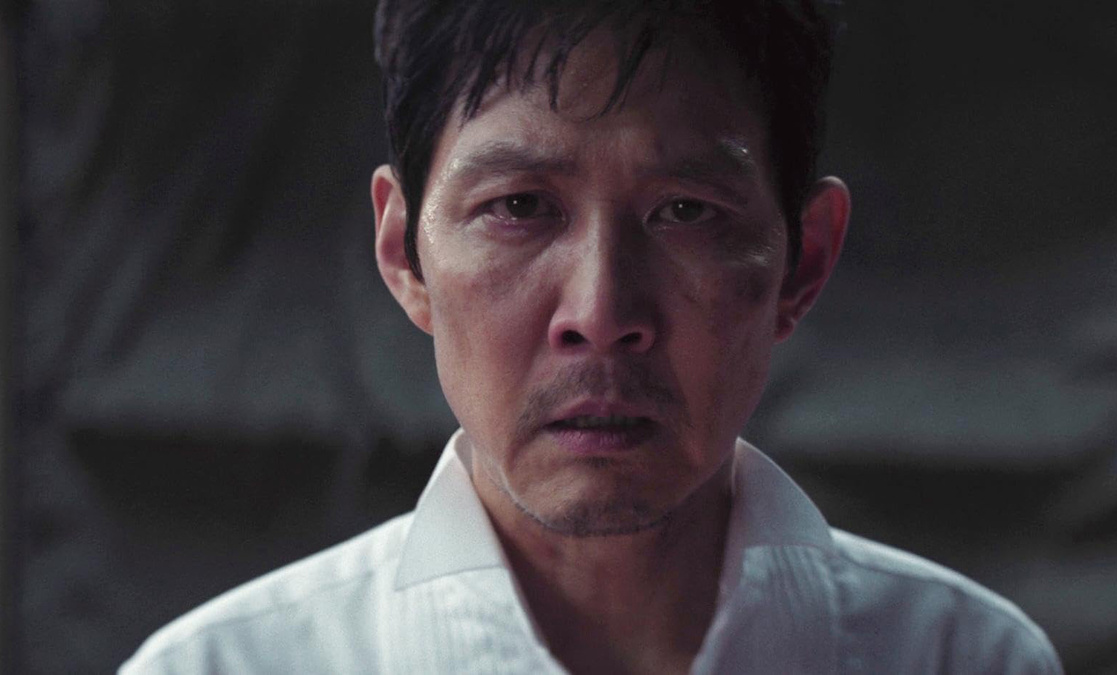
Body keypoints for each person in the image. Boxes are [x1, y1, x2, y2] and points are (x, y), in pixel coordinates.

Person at [122, 0, 1063, 672]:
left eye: (687, 210)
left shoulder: (965, 658)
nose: (602, 311)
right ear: (405, 251)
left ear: (803, 261)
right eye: (519, 207)